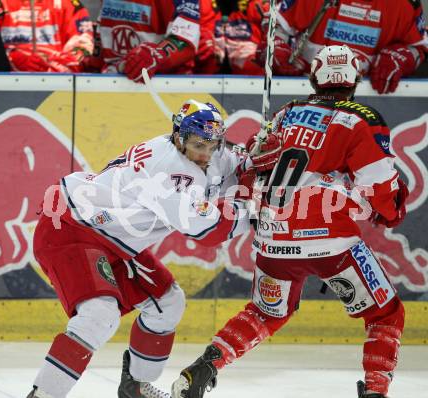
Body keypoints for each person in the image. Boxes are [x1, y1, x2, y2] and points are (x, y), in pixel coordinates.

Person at [171, 45, 409, 398]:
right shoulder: (362, 119)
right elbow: (380, 187)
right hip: (332, 241)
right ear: (355, 79)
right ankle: (375, 391)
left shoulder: (285, 113)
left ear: (314, 76)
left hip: (274, 238)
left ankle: (205, 366)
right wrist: (392, 211)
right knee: (385, 315)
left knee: (265, 313)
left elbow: (249, 170)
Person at [27, 99, 251, 398]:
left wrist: (255, 161)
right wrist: (254, 213)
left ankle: (135, 387)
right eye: (200, 146)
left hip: (113, 239)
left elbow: (233, 164)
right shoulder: (168, 172)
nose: (206, 153)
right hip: (72, 230)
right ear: (179, 137)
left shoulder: (195, 146)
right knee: (99, 315)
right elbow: (205, 228)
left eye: (213, 145)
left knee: (167, 303)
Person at [255, 0, 428, 93]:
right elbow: (276, 24)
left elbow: (419, 47)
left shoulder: (406, 4)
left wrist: (399, 57)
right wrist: (276, 47)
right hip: (306, 89)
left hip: (368, 96)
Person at [96, 0, 219, 81]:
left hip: (162, 84)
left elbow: (186, 41)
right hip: (109, 80)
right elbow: (102, 30)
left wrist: (156, 56)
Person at [0, 0, 94, 72]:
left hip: (58, 85)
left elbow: (84, 45)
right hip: (2, 82)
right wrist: (11, 60)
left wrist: (52, 66)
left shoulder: (67, 4)